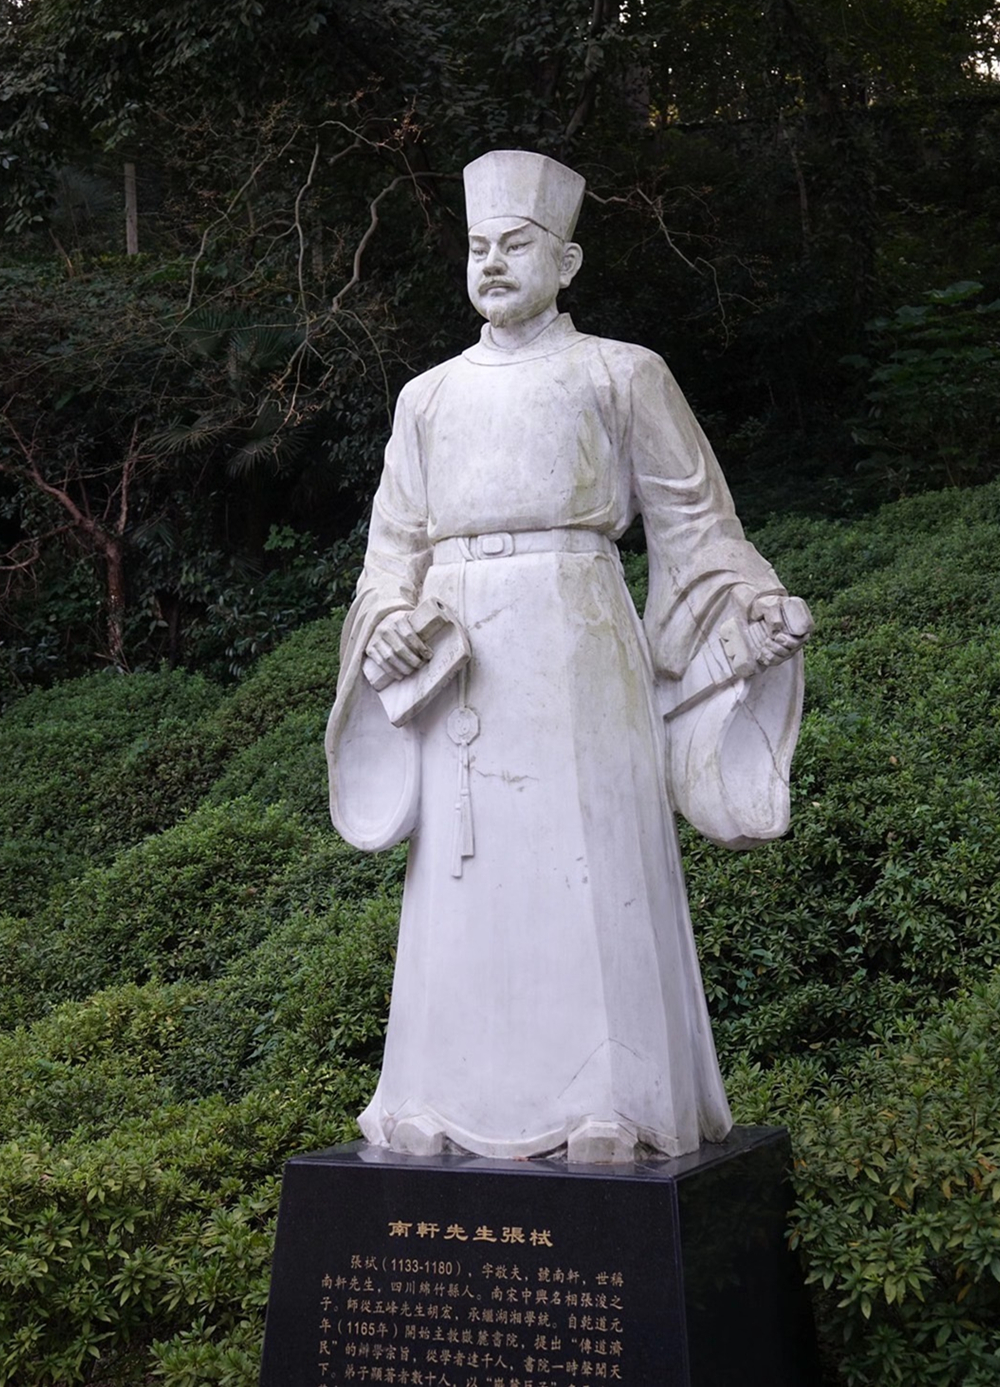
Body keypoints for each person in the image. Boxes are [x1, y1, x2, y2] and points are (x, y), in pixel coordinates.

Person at [326, 150, 811, 1164]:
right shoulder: (425, 398)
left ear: (567, 260)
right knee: (461, 874)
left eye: (516, 244)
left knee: (590, 860)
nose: (494, 263)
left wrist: (750, 605)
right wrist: (390, 620)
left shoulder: (622, 374)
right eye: (478, 247)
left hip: (576, 633)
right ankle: (437, 1097)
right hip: (458, 660)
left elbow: (695, 523)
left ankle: (613, 1100)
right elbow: (390, 552)